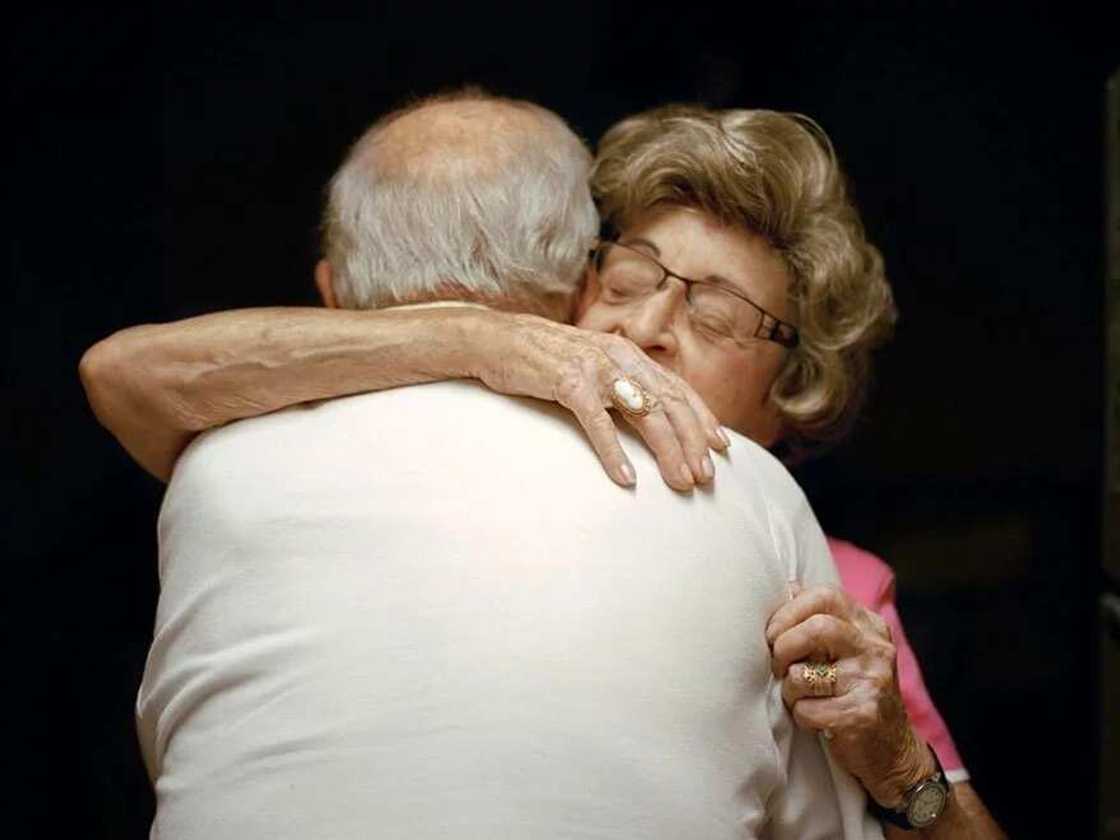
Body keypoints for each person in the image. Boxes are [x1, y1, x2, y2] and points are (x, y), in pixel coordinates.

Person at [82, 97, 1005, 837]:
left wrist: (898, 766)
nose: (645, 331)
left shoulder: (828, 581)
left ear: (789, 397)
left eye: (719, 319)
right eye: (631, 278)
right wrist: (469, 334)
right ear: (569, 293)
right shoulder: (432, 451)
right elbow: (127, 371)